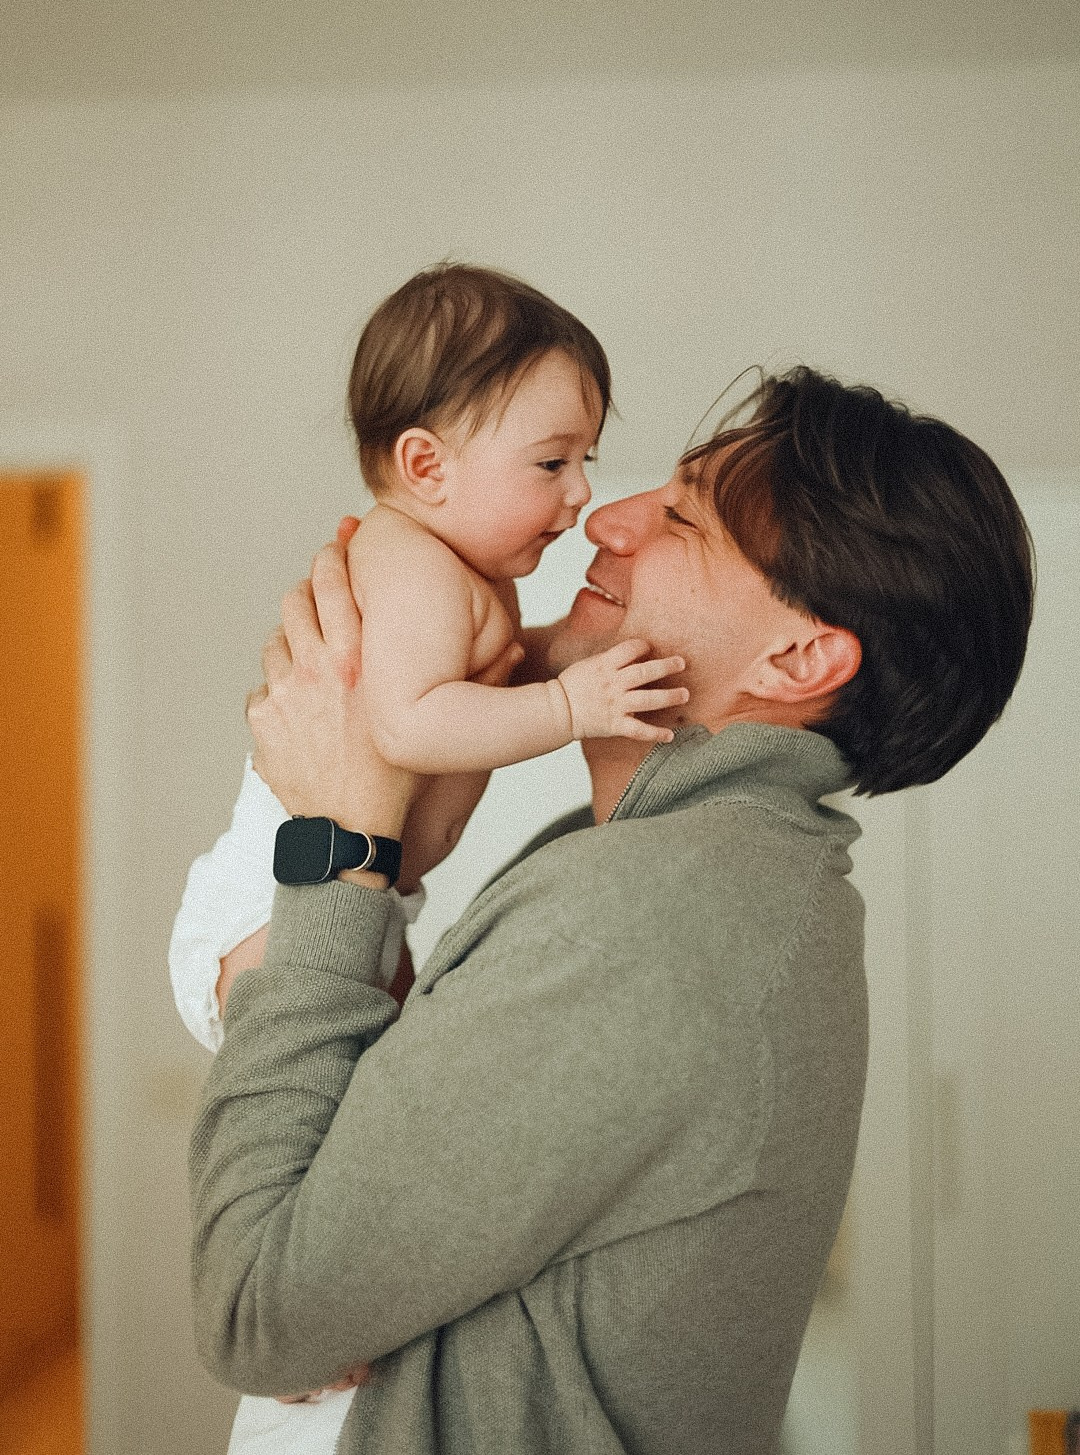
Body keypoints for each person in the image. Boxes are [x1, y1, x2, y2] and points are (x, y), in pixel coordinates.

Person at [188, 365, 1034, 1454]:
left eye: (683, 519)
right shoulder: (702, 875)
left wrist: (337, 839)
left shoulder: (655, 917)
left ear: (798, 658)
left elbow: (256, 1311)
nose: (604, 517)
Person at [170, 264, 686, 1060]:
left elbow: (488, 671)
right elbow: (411, 724)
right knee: (308, 1075)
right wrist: (569, 707)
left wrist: (567, 652)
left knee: (375, 1092)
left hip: (374, 890)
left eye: (587, 458)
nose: (582, 490)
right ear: (426, 467)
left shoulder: (463, 570)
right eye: (553, 463)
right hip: (275, 904)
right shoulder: (412, 566)